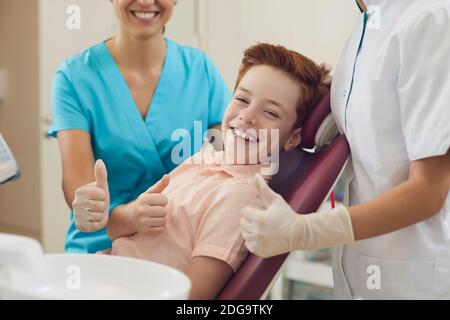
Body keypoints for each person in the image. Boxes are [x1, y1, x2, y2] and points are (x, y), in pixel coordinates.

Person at [240, 0, 450, 299]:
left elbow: (429, 192)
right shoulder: (366, 25)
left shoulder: (429, 18)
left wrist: (305, 229)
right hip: (357, 271)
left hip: (413, 277)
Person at [96, 43, 330, 299]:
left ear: (293, 138)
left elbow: (194, 298)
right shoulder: (204, 159)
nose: (247, 116)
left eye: (271, 112)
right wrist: (132, 217)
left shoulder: (242, 196)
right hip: (104, 279)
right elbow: (113, 230)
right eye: (242, 99)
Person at [49, 0, 231, 253]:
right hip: (100, 244)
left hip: (179, 244)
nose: (146, 2)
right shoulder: (74, 77)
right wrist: (108, 211)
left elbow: (234, 158)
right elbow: (77, 183)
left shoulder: (201, 70)